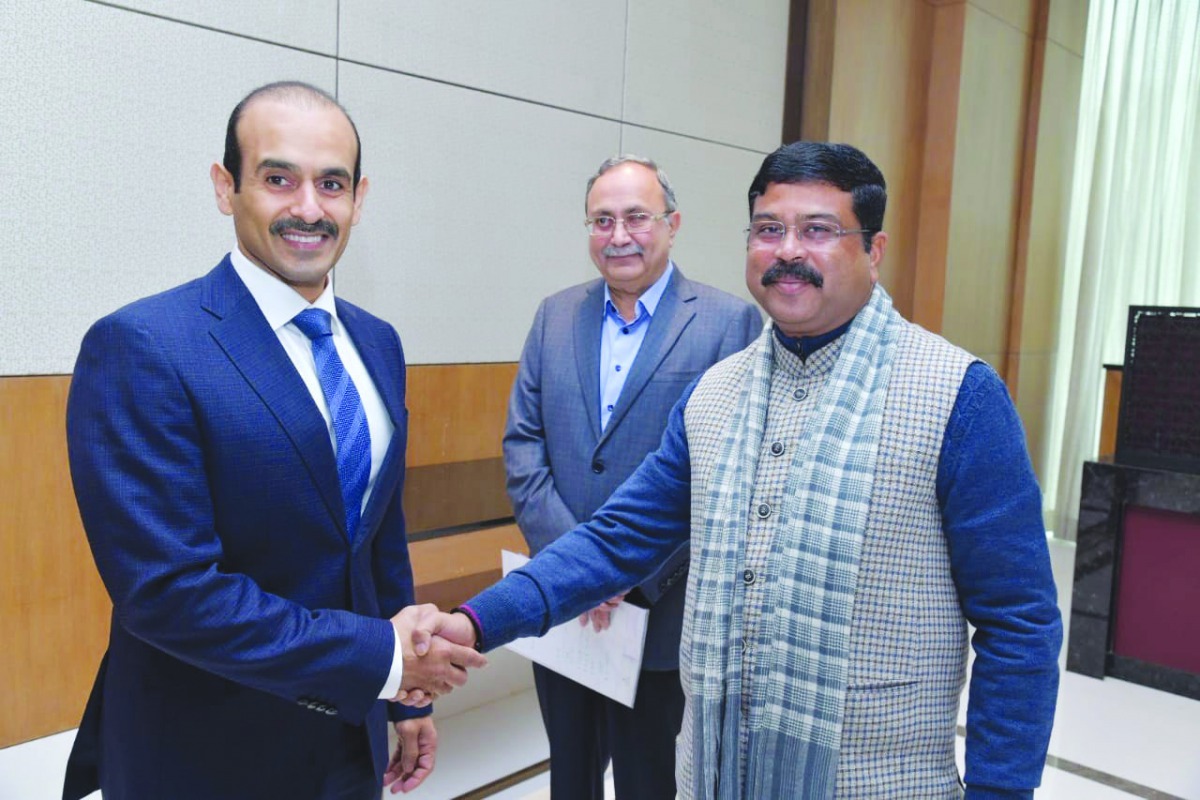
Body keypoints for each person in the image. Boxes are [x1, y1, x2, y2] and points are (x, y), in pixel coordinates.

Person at [433, 142, 1063, 799]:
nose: (787, 250)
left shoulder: (958, 395)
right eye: (768, 230)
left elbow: (1019, 624)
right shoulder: (715, 395)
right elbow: (616, 538)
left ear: (873, 251)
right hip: (716, 777)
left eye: (818, 230)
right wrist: (475, 622)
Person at [62, 81, 484, 800]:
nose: (309, 209)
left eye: (332, 184)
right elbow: (169, 593)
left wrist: (403, 698)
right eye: (278, 178)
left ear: (360, 197)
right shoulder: (143, 347)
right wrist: (382, 658)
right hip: (204, 753)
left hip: (348, 744)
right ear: (226, 188)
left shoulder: (377, 344)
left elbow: (376, 541)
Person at [505, 155, 760, 799]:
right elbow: (523, 446)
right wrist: (577, 569)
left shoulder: (729, 324)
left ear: (671, 224)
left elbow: (726, 477)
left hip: (660, 610)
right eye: (602, 219)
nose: (619, 235)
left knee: (649, 781)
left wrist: (623, 572)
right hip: (565, 607)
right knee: (571, 775)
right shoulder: (554, 315)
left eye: (637, 218)